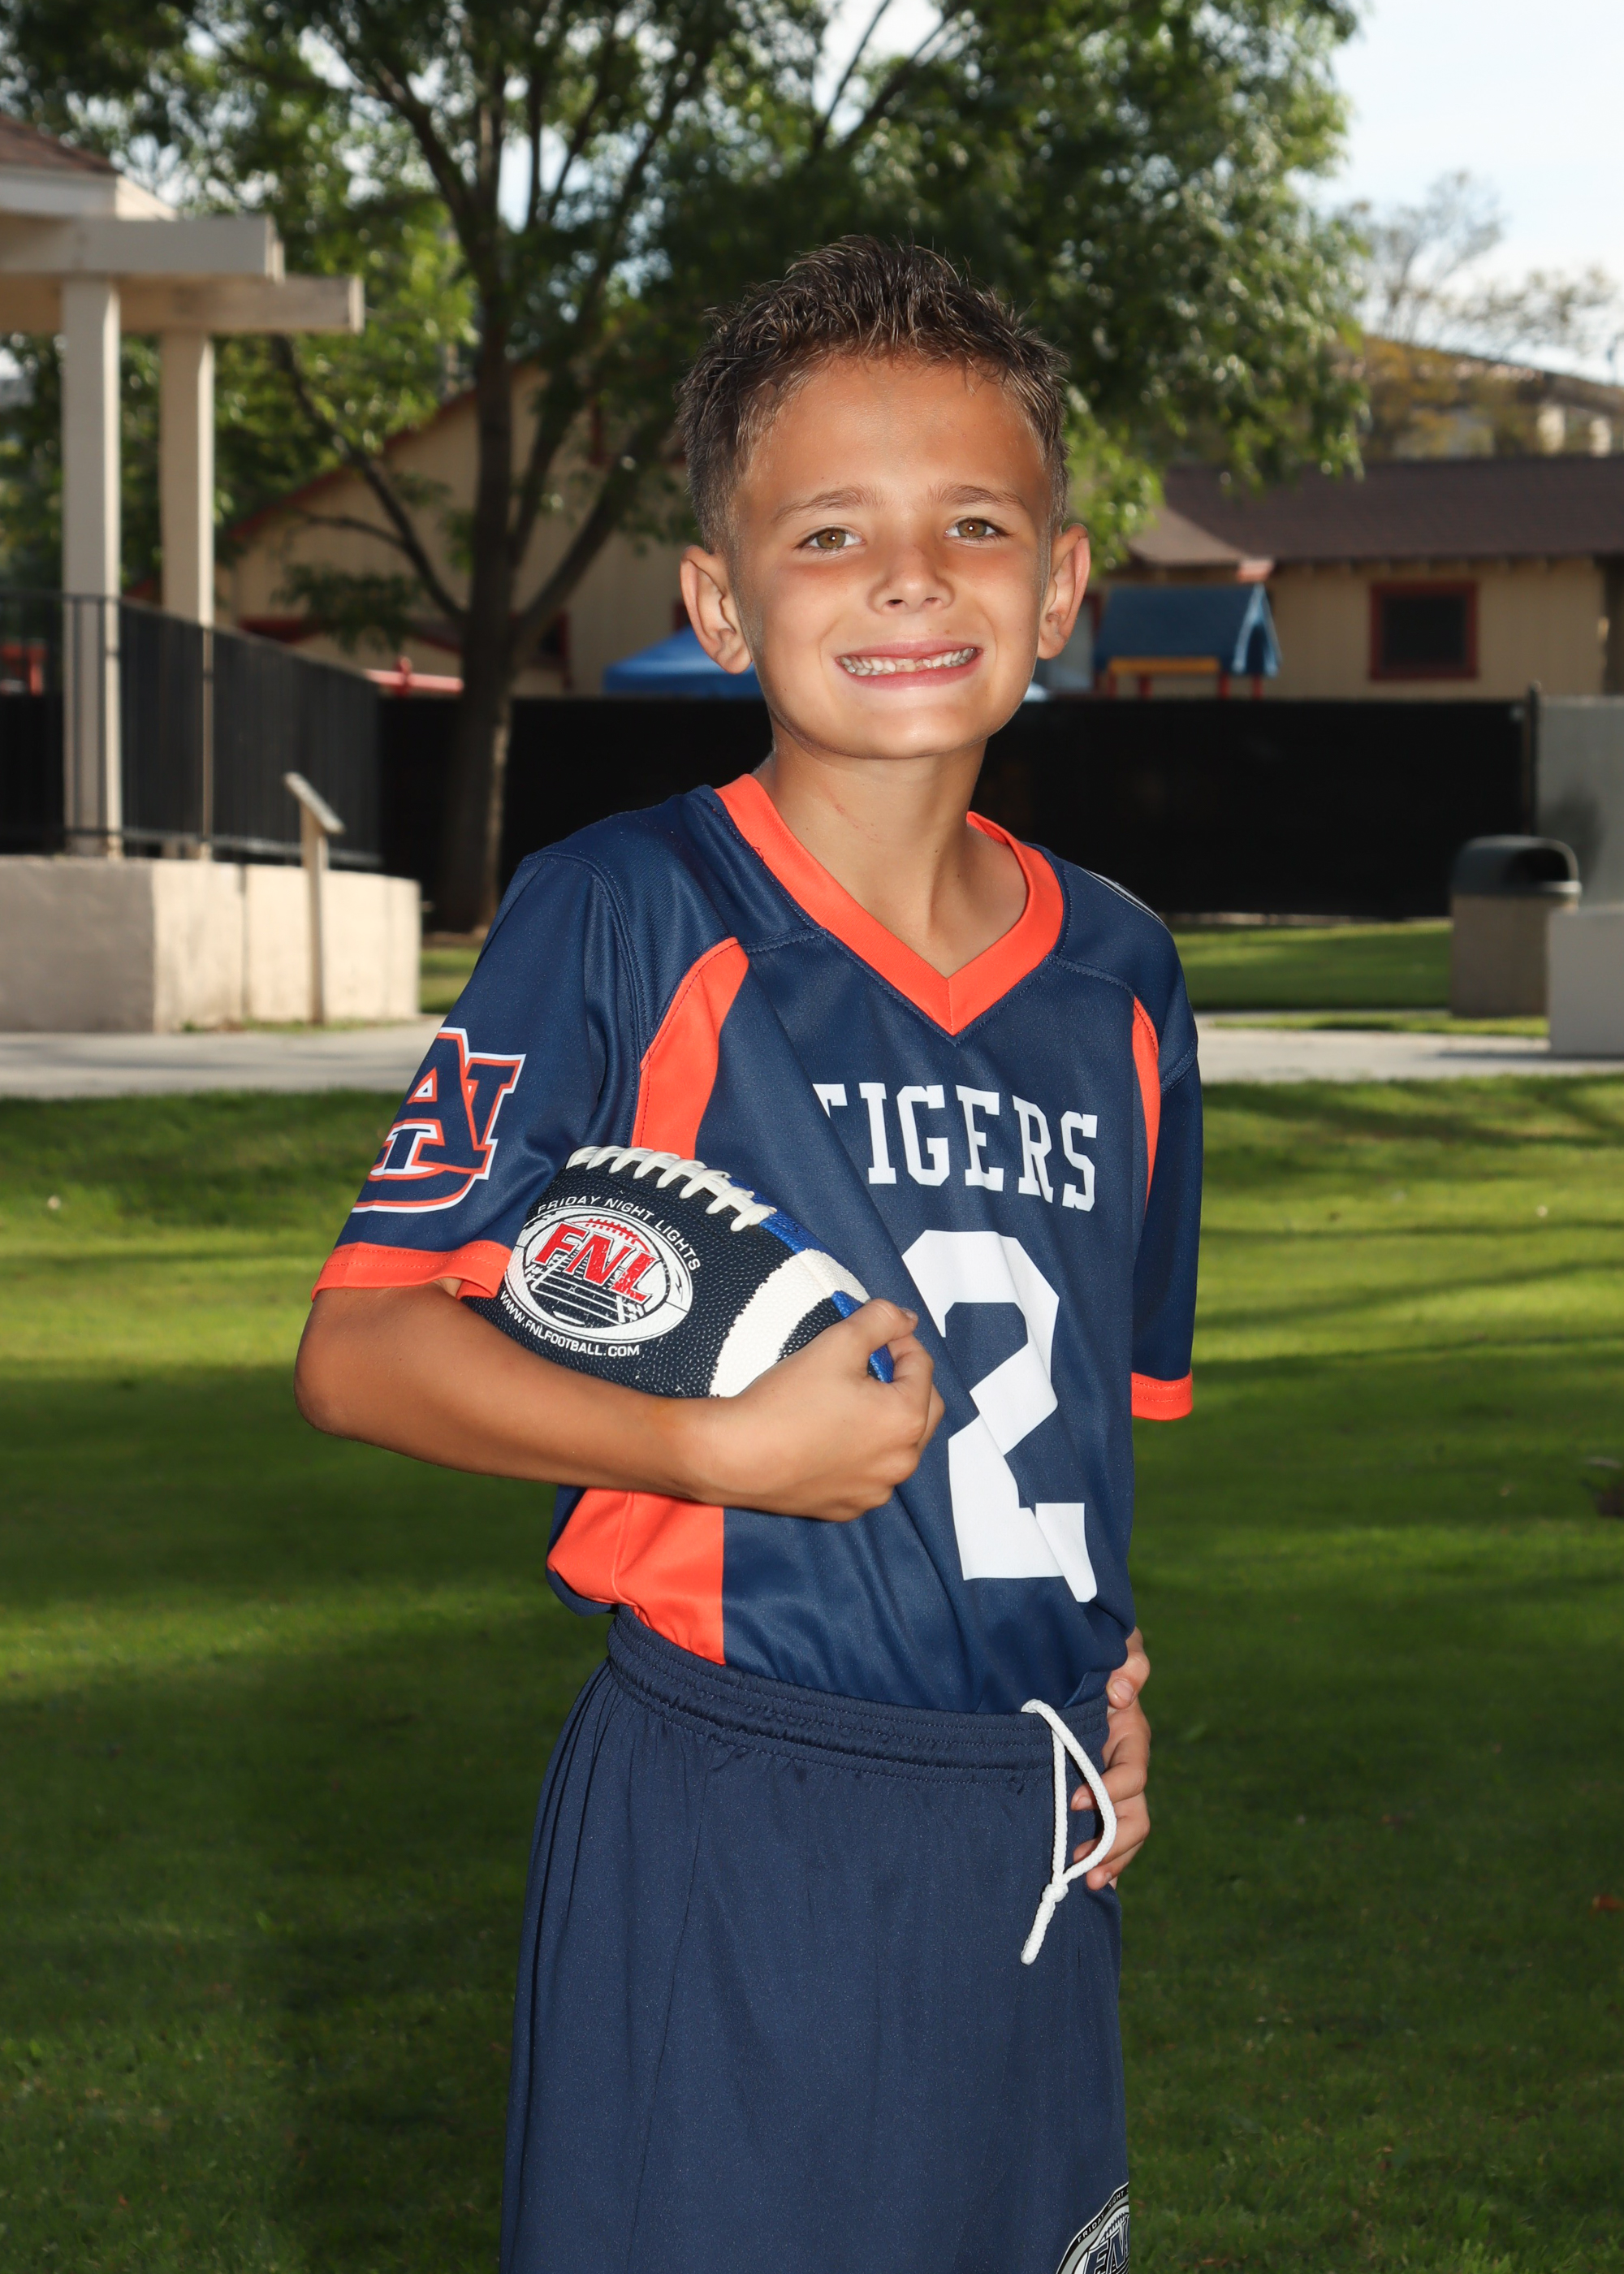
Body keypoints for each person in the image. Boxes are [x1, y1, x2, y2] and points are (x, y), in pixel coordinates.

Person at [296, 237, 1201, 2274]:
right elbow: (358, 1351)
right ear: (719, 602)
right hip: (732, 1796)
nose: (910, 577)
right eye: (829, 532)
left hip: (1027, 1824)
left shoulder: (1125, 977)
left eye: (974, 523)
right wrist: (715, 1450)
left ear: (1062, 581)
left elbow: (1075, 1442)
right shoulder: (629, 908)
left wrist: (1103, 1682)